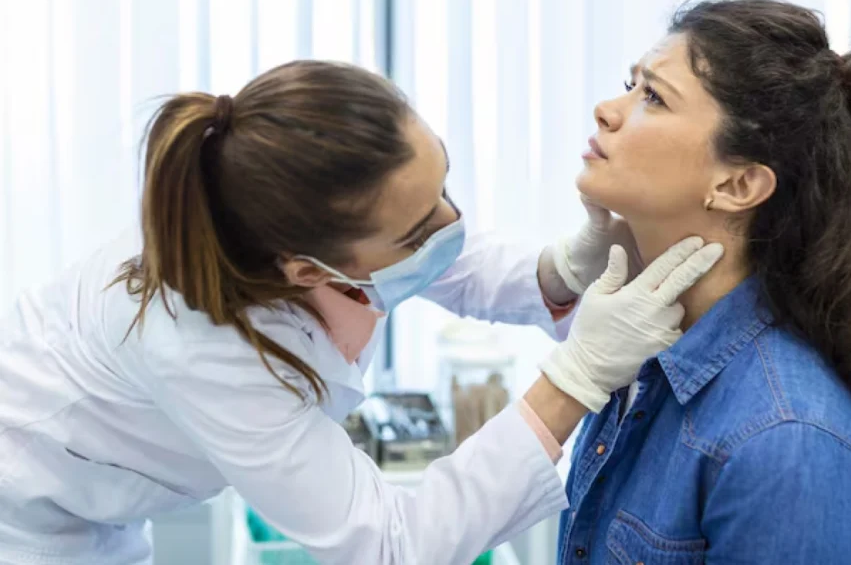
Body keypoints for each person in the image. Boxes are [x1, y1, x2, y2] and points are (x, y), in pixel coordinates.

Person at [0, 60, 724, 564]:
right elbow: (389, 548)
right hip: (31, 519)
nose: (452, 221)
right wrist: (575, 378)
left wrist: (559, 269)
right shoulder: (199, 346)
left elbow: (439, 255)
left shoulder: (305, 189)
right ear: (306, 269)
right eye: (417, 231)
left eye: (443, 178)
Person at [557, 0, 851, 564]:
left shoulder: (787, 443)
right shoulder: (642, 353)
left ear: (738, 186)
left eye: (652, 96)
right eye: (629, 85)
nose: (607, 110)